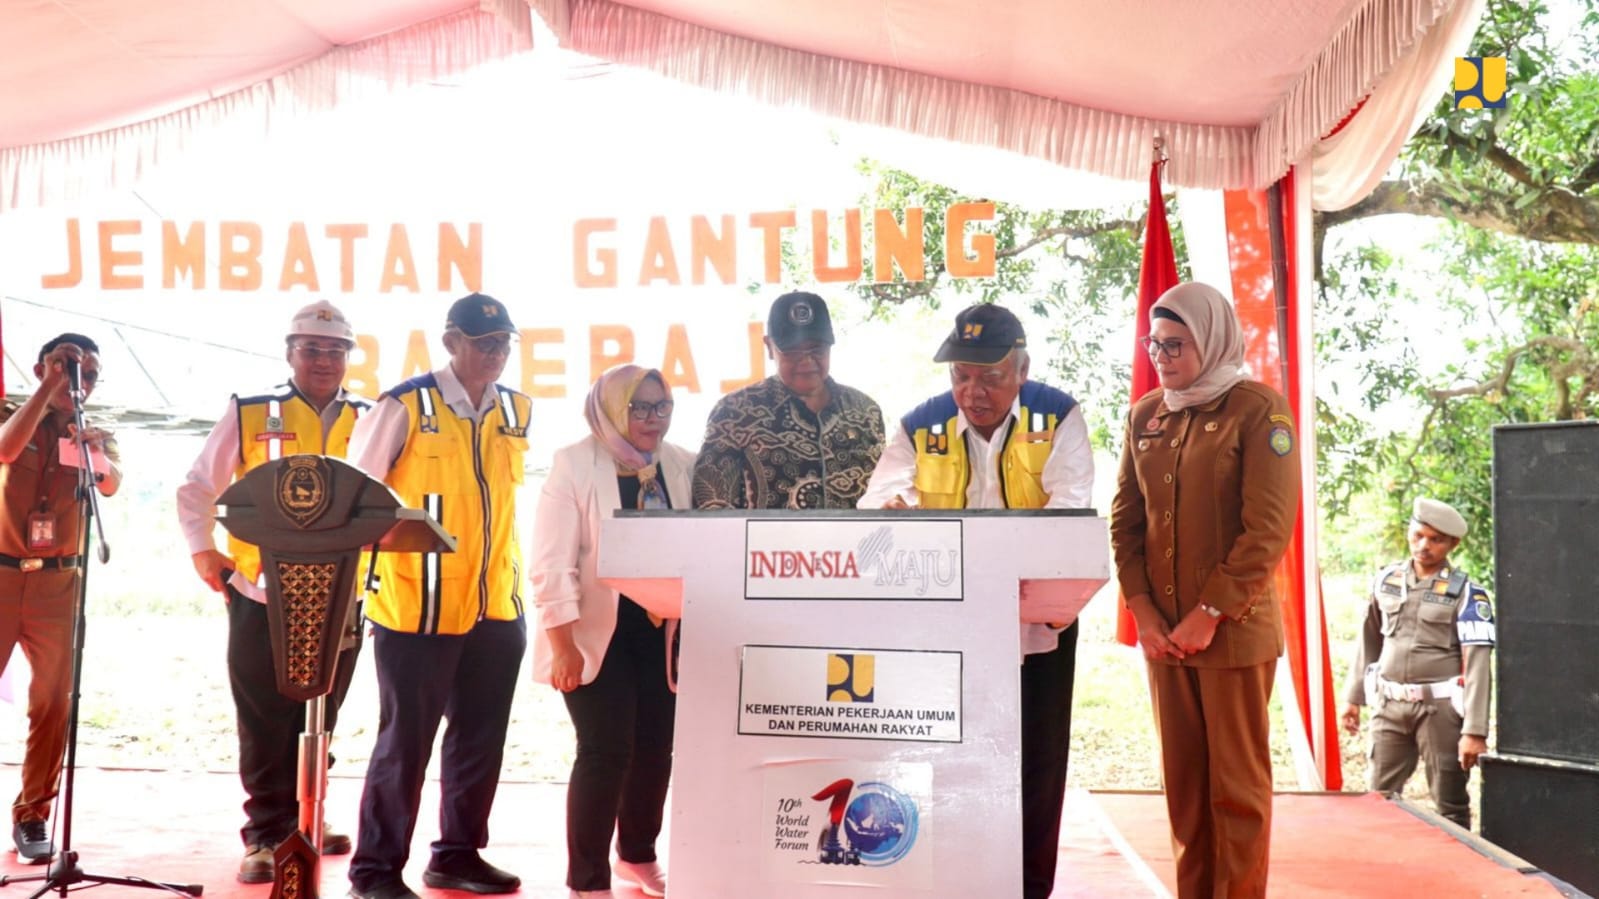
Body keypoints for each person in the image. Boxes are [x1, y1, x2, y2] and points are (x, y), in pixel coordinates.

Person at [858, 303, 1093, 899]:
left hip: (1036, 622)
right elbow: (877, 505)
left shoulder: (1058, 415)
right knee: (950, 759)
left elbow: (1070, 509)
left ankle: (1029, 886)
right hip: (947, 628)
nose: (973, 391)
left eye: (990, 376)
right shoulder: (921, 424)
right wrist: (889, 515)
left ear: (1022, 370)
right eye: (961, 376)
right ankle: (953, 881)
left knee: (1038, 762)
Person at [1109, 281, 1301, 899]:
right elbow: (1126, 522)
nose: (1160, 356)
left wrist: (1210, 612)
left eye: (1175, 344)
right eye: (1154, 343)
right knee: (1185, 788)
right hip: (1165, 637)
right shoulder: (1146, 414)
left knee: (1236, 793)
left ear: (1212, 340)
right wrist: (1144, 612)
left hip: (1232, 634)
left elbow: (1267, 530)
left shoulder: (1258, 410)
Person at [345, 293, 530, 899]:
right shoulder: (404, 404)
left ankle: (457, 856)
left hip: (494, 605)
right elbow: (354, 497)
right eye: (483, 342)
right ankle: (374, 871)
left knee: (480, 740)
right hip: (416, 607)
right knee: (405, 744)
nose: (495, 353)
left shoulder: (515, 409)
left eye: (503, 343)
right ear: (451, 342)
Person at [175, 300, 366, 881]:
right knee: (265, 716)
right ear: (289, 354)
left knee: (322, 711)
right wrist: (202, 549)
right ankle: (265, 832)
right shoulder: (253, 410)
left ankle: (307, 816)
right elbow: (198, 486)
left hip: (343, 595)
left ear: (349, 358)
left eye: (335, 351)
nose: (324, 360)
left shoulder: (371, 416)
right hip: (262, 592)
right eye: (311, 349)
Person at [531, 365, 696, 899]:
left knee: (655, 748)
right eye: (639, 407)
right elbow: (551, 564)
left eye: (662, 406)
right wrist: (563, 647)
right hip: (594, 633)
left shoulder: (680, 463)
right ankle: (587, 880)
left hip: (661, 632)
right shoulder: (575, 464)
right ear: (610, 409)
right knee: (604, 751)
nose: (653, 419)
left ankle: (637, 855)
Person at [0, 334, 120, 865]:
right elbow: (5, 450)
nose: (79, 381)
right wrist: (48, 388)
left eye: (89, 374)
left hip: (59, 585)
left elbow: (110, 485)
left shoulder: (96, 432)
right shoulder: (12, 415)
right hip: (2, 576)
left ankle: (33, 814)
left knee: (52, 703)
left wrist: (94, 450)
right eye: (68, 367)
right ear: (39, 368)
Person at [1338, 498, 1493, 829]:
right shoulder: (1386, 580)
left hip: (1440, 709)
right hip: (1389, 705)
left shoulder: (1468, 593)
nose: (1424, 546)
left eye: (1436, 540)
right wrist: (1353, 698)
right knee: (1377, 796)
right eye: (1418, 535)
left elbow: (1478, 664)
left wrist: (1474, 731)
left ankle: (1454, 860)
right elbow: (1368, 640)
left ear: (1453, 544)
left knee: (1449, 803)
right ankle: (1381, 857)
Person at [692, 291, 884, 510]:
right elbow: (711, 506)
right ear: (769, 347)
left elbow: (885, 493)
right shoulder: (734, 413)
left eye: (817, 349)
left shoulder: (866, 411)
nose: (807, 361)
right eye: (792, 352)